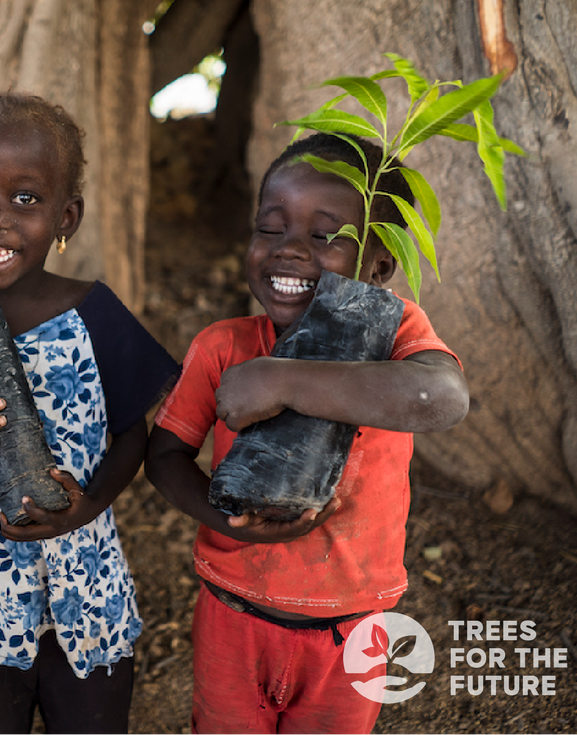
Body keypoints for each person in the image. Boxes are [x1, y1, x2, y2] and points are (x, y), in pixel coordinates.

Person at [145, 133, 470, 735]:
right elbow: (165, 455)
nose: (288, 251)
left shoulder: (396, 335)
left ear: (378, 266)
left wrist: (283, 381)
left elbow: (441, 397)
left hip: (355, 629)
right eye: (270, 229)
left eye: (325, 237)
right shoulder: (223, 346)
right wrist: (218, 518)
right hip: (233, 613)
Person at [0, 92, 179, 735]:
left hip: (91, 595)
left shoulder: (95, 312)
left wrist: (90, 505)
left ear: (65, 216)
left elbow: (134, 430)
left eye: (25, 199)